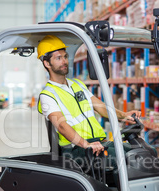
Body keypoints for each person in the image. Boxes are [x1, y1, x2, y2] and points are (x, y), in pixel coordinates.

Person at [36, 35, 140, 178]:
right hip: (77, 149)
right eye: (58, 58)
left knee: (142, 152)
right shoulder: (47, 95)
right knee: (132, 161)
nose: (64, 61)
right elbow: (61, 126)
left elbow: (101, 106)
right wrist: (86, 145)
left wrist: (124, 115)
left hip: (98, 143)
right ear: (47, 63)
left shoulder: (77, 84)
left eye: (65, 57)